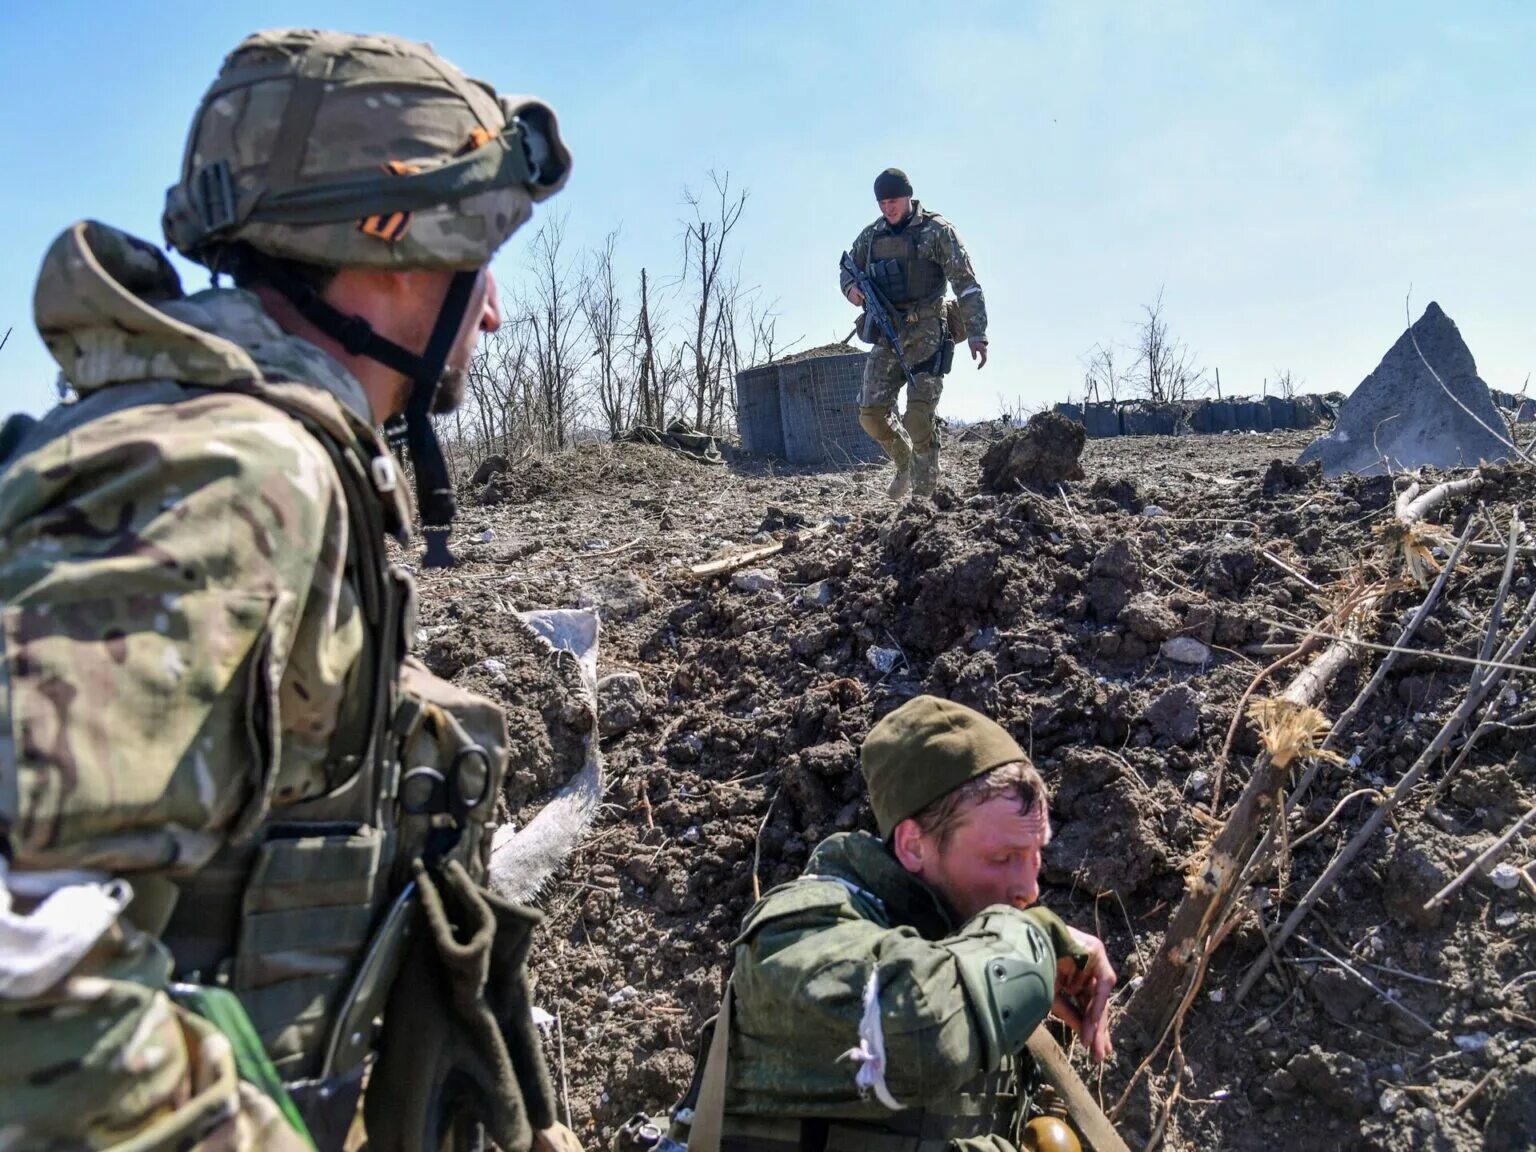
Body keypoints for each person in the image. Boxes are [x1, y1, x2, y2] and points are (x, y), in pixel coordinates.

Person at [0, 29, 580, 1152]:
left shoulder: (235, 446)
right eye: (482, 258)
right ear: (408, 253)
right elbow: (26, 965)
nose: (493, 312)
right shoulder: (232, 473)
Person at [664, 695, 1116, 1152]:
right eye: (1002, 858)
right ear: (914, 846)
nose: (1029, 889)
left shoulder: (962, 941)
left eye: (1035, 854)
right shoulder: (798, 928)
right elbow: (922, 1035)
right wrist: (1031, 944)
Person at [839, 169, 989, 500]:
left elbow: (966, 282)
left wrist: (977, 333)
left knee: (918, 419)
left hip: (928, 334)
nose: (888, 208)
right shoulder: (871, 237)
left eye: (893, 201)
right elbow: (847, 270)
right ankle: (905, 463)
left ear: (908, 196)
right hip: (887, 333)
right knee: (872, 416)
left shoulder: (937, 232)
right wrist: (852, 291)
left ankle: (924, 500)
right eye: (882, 203)